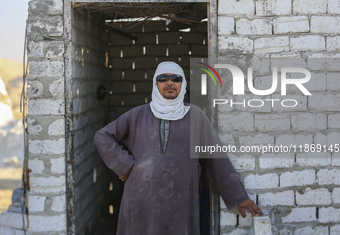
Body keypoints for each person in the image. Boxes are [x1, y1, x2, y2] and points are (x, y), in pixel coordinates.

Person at [94, 61, 264, 235]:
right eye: (163, 78)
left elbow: (216, 156)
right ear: (156, 83)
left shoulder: (196, 115)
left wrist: (238, 197)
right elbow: (102, 136)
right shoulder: (137, 114)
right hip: (141, 199)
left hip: (181, 199)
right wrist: (125, 163)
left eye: (176, 78)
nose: (169, 82)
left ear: (182, 84)